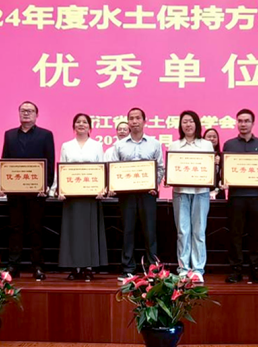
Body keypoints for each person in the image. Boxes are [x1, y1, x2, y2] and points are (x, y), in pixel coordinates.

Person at [107, 107, 165, 282]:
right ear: (128, 122)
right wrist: (115, 185)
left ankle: (153, 269)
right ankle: (128, 269)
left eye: (138, 118)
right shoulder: (119, 145)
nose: (134, 121)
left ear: (144, 121)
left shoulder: (154, 143)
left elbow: (160, 167)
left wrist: (155, 185)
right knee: (128, 230)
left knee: (150, 231)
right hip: (127, 194)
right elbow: (113, 168)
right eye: (131, 118)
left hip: (148, 193)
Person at [1, 101, 55, 280]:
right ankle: (13, 266)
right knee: (15, 228)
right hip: (14, 191)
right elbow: (5, 161)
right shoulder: (9, 135)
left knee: (36, 229)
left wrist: (46, 185)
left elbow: (49, 161)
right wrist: (3, 184)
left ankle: (37, 266)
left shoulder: (45, 135)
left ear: (36, 115)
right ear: (19, 113)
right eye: (23, 111)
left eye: (30, 111)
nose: (26, 113)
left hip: (36, 192)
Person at [56, 113, 108, 281]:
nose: (81, 124)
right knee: (73, 232)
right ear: (73, 126)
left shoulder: (97, 145)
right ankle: (74, 267)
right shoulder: (66, 146)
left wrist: (102, 188)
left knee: (89, 233)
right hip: (71, 196)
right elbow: (61, 168)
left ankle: (88, 267)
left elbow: (102, 168)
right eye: (78, 122)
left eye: (84, 122)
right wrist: (59, 190)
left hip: (91, 196)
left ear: (90, 127)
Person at [222, 108, 258, 284]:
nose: (243, 124)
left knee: (256, 235)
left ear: (253, 123)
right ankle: (236, 270)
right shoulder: (229, 145)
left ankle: (256, 270)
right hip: (236, 196)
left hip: (257, 196)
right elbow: (225, 170)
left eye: (247, 121)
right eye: (240, 121)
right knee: (235, 235)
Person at [168, 111, 214, 283]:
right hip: (180, 192)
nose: (188, 125)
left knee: (199, 231)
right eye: (184, 122)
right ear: (180, 125)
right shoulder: (174, 145)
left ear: (197, 124)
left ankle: (198, 269)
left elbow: (211, 169)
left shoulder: (206, 145)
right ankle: (183, 268)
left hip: (201, 192)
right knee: (183, 231)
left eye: (191, 121)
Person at [203, 128, 224, 200]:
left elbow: (223, 179)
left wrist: (216, 191)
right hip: (201, 193)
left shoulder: (222, 156)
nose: (212, 139)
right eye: (209, 137)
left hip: (218, 194)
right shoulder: (199, 157)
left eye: (214, 137)